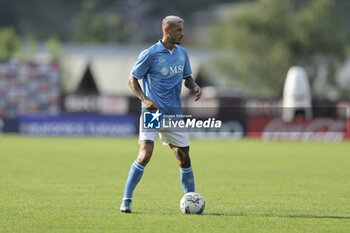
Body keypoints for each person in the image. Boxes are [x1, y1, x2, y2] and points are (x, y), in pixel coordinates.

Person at [120, 15, 202, 213]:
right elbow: (132, 80)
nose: (183, 34)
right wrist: (145, 99)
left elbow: (187, 78)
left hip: (174, 114)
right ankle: (127, 200)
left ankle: (192, 201)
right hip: (153, 113)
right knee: (145, 155)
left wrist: (195, 86)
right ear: (167, 31)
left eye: (183, 30)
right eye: (179, 30)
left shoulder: (182, 53)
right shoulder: (149, 54)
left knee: (184, 159)